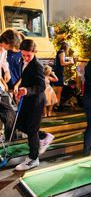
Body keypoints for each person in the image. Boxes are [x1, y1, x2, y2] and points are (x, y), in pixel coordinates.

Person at [14, 39, 54, 171]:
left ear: (34, 52)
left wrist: (27, 90)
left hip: (36, 101)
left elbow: (41, 86)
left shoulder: (37, 65)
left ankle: (33, 158)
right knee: (20, 124)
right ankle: (44, 136)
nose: (25, 58)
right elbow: (25, 80)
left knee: (31, 130)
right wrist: (21, 91)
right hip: (27, 99)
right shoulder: (23, 61)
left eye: (28, 55)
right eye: (23, 54)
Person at [53, 41, 74, 107]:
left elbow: (62, 59)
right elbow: (62, 63)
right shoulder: (62, 52)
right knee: (59, 91)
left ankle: (54, 105)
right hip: (59, 73)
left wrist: (68, 58)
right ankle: (57, 105)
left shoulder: (59, 52)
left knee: (56, 90)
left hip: (57, 72)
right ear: (66, 47)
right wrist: (70, 62)